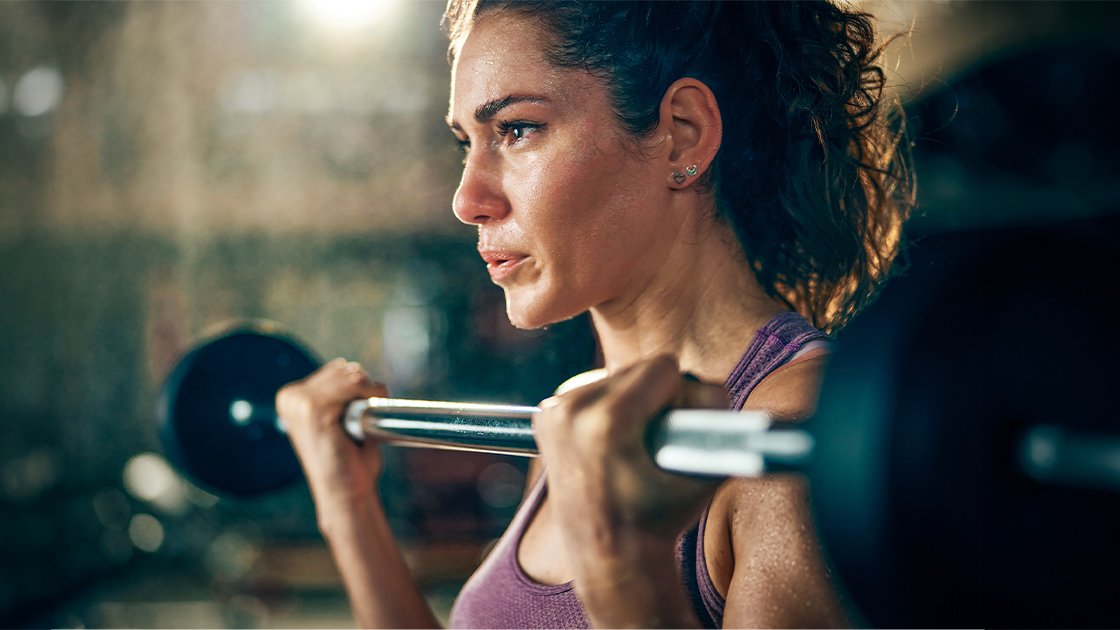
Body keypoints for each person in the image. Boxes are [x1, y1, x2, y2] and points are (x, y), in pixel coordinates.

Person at [275, 1, 913, 627]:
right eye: (466, 143)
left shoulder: (790, 440)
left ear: (681, 135)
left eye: (517, 130)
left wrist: (622, 560)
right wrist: (348, 506)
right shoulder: (578, 413)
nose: (467, 199)